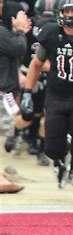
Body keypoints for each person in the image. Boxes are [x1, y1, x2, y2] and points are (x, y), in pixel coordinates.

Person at [21, 0, 73, 209]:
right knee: (53, 150)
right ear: (59, 13)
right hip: (56, 96)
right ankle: (61, 163)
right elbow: (36, 64)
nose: (70, 15)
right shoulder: (51, 33)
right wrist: (27, 91)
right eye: (66, 11)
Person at [0, 10, 29, 153]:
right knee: (4, 132)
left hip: (5, 89)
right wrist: (20, 31)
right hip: (3, 90)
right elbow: (18, 48)